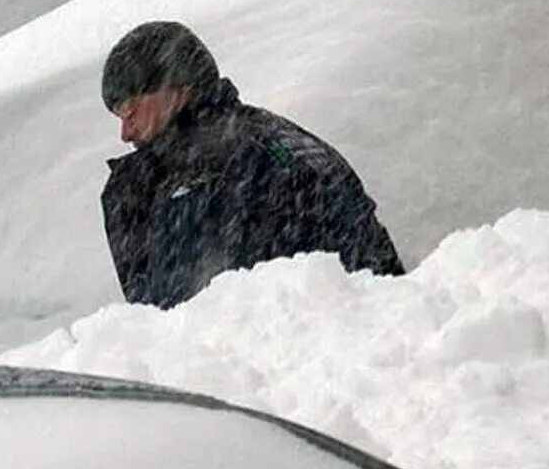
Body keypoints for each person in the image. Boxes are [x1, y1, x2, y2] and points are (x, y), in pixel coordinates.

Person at [98, 21, 404, 309]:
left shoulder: (237, 164)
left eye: (130, 110)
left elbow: (205, 311)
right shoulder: (257, 145)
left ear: (176, 92)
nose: (125, 134)